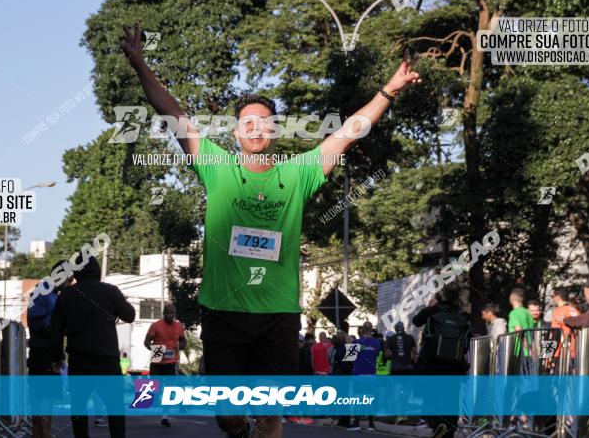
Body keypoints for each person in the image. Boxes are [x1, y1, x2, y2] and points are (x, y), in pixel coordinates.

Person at [120, 23, 422, 438]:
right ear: (236, 133)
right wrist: (140, 64)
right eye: (248, 123)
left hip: (277, 316)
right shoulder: (217, 166)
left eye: (264, 122)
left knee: (270, 414)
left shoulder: (298, 174)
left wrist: (388, 91)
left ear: (275, 130)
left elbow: (348, 134)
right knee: (228, 414)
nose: (256, 128)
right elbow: (172, 113)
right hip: (224, 314)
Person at [51, 256, 135, 438]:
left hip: (79, 361)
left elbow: (56, 331)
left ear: (77, 273)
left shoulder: (66, 296)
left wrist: (57, 358)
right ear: (97, 272)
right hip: (107, 361)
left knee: (79, 408)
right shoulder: (111, 292)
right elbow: (130, 315)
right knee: (115, 408)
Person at [412, 285, 471, 438]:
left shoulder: (433, 311)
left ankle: (437, 424)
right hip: (455, 367)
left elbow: (416, 321)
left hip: (433, 364)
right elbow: (467, 342)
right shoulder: (463, 316)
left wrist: (431, 307)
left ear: (439, 297)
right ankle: (448, 428)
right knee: (451, 399)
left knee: (432, 395)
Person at [27, 261, 74, 438]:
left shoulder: (54, 294)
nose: (70, 282)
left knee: (47, 400)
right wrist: (57, 330)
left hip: (50, 352)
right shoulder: (43, 291)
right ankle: (43, 434)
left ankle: (41, 434)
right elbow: (36, 322)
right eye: (68, 278)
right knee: (43, 400)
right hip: (42, 352)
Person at [144, 302, 187, 428]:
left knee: (169, 389)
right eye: (168, 313)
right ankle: (155, 398)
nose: (170, 315)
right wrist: (156, 351)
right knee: (155, 387)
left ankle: (165, 417)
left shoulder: (179, 326)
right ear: (163, 314)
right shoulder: (156, 326)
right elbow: (146, 341)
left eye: (173, 313)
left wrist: (183, 345)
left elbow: (183, 340)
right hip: (157, 360)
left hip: (171, 362)